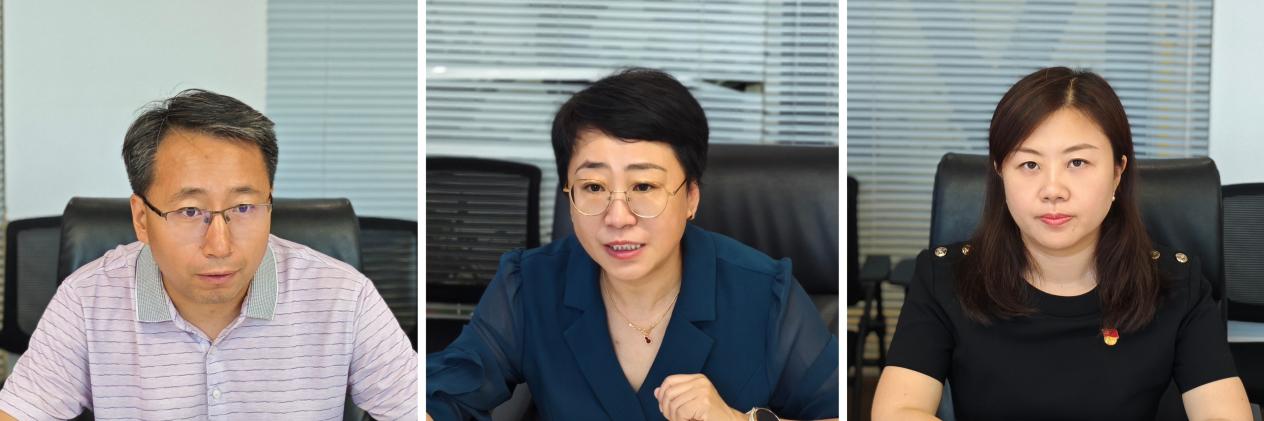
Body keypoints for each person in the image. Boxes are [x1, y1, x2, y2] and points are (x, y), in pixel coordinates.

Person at [426, 69, 839, 421]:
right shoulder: (530, 283)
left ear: (691, 197)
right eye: (593, 187)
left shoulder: (766, 295)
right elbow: (446, 393)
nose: (618, 217)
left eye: (644, 186)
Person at [0, 90, 418, 420]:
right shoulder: (87, 300)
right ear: (142, 219)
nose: (220, 245)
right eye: (189, 211)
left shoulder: (344, 297)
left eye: (244, 207)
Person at [871, 67, 1251, 420]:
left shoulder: (1176, 285)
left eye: (1077, 163)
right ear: (1000, 173)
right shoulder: (946, 278)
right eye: (1029, 165)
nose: (1053, 190)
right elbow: (898, 411)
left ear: (1118, 172)